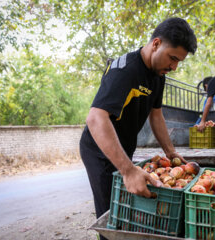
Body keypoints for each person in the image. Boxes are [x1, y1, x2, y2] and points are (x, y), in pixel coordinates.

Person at [79, 17, 197, 231]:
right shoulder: (125, 70)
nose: (174, 66)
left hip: (124, 148)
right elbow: (95, 118)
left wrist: (171, 153)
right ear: (156, 44)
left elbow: (156, 115)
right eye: (172, 58)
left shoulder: (158, 76)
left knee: (128, 208)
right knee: (112, 215)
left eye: (179, 61)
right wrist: (128, 171)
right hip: (99, 150)